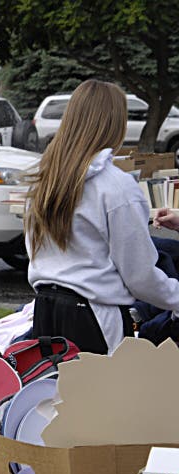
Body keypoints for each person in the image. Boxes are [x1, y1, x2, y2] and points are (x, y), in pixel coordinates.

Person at [25, 79, 179, 355]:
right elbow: (139, 276)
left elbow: (35, 250)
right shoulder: (116, 186)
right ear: (115, 124)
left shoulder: (45, 180)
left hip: (45, 309)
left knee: (55, 395)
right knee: (99, 397)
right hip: (92, 317)